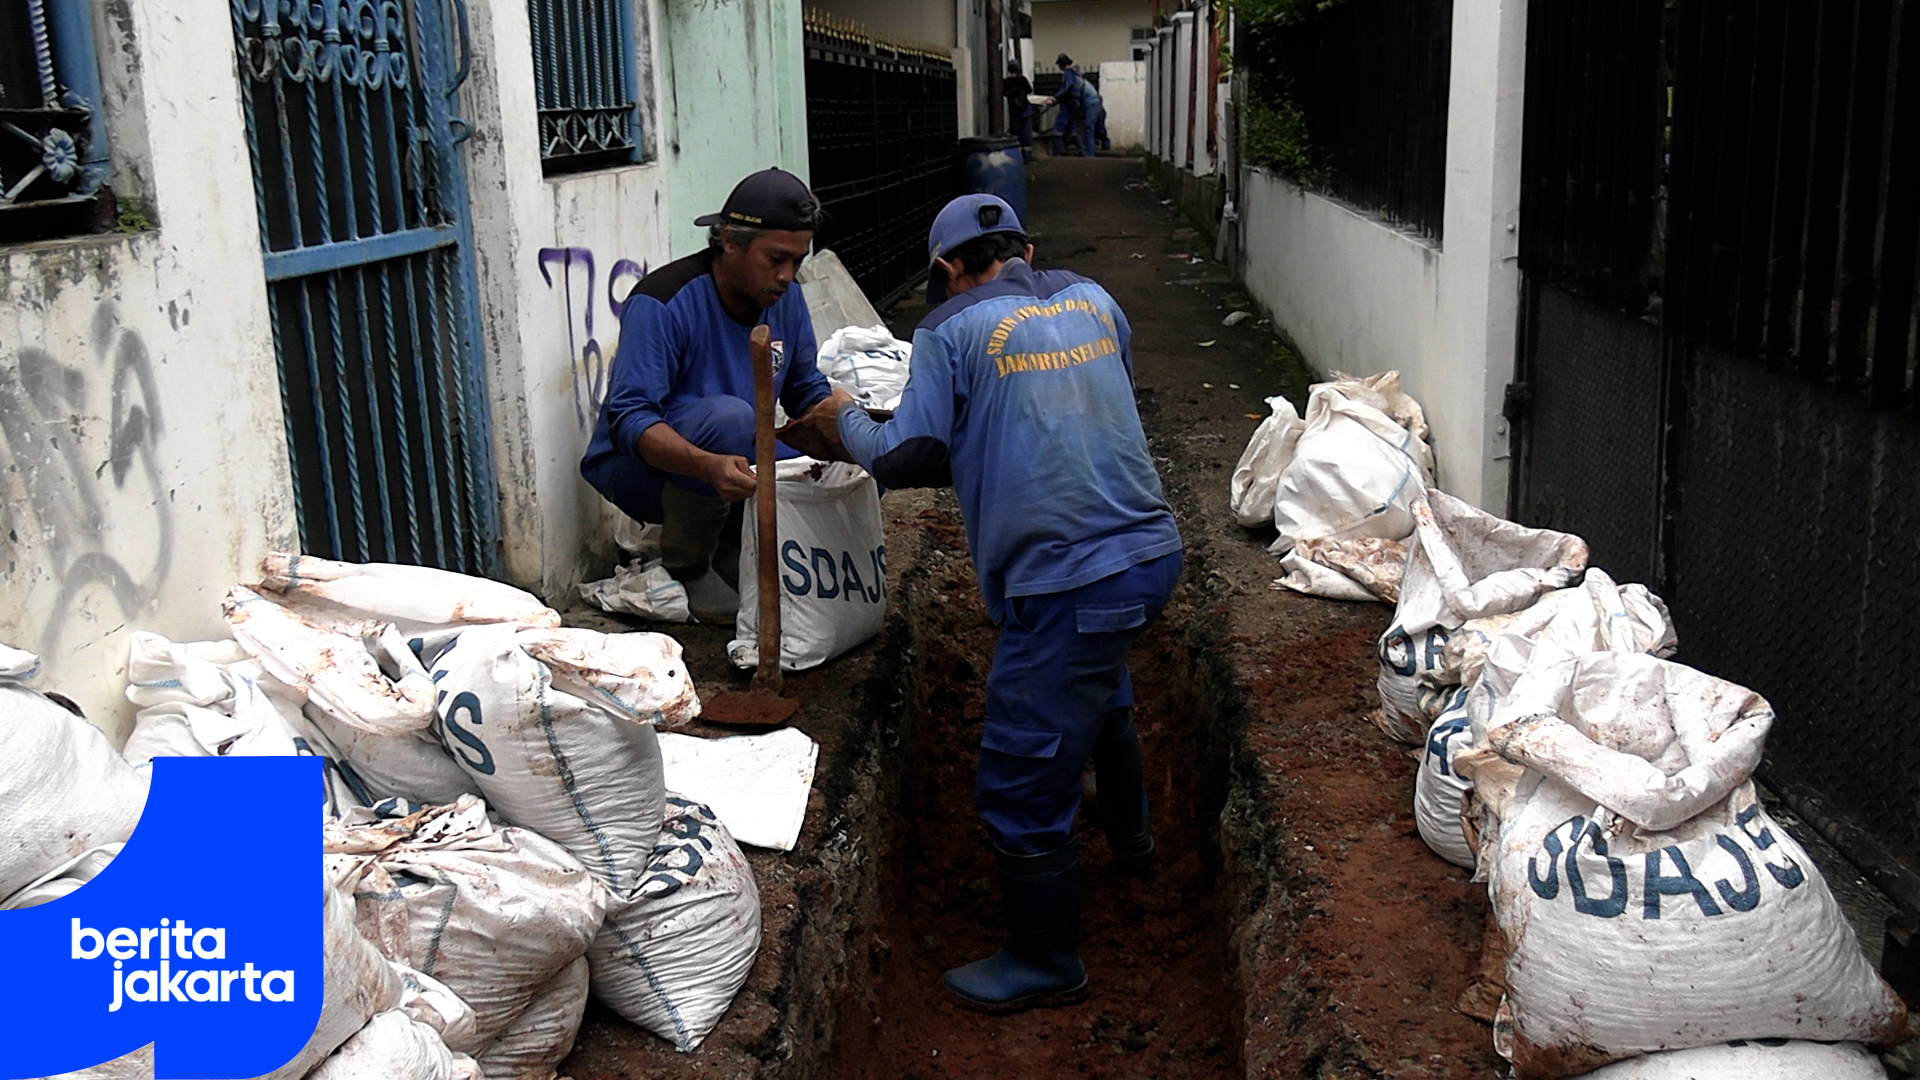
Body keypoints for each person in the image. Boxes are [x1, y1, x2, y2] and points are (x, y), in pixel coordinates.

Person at [777, 195, 1184, 1014]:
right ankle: (1133, 836)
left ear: (947, 270)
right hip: (1149, 554)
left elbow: (905, 456)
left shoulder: (952, 329)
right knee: (1099, 685)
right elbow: (1079, 410)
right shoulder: (1095, 300)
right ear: (1024, 249)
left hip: (1067, 580)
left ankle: (1045, 959)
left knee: (1019, 771)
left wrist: (841, 417)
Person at [579, 167, 845, 623]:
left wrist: (849, 427)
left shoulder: (787, 300)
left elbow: (804, 390)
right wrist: (705, 465)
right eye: (776, 259)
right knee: (731, 420)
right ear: (729, 243)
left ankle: (730, 545)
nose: (787, 275)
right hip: (642, 470)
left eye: (797, 261)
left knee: (839, 458)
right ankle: (687, 564)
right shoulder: (664, 300)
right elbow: (630, 419)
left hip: (733, 453)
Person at [1003, 61, 1035, 164]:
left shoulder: (1006, 82)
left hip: (1014, 113)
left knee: (1016, 135)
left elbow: (1004, 93)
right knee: (1026, 136)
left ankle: (1018, 158)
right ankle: (1027, 158)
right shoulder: (1023, 80)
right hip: (1025, 111)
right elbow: (1030, 90)